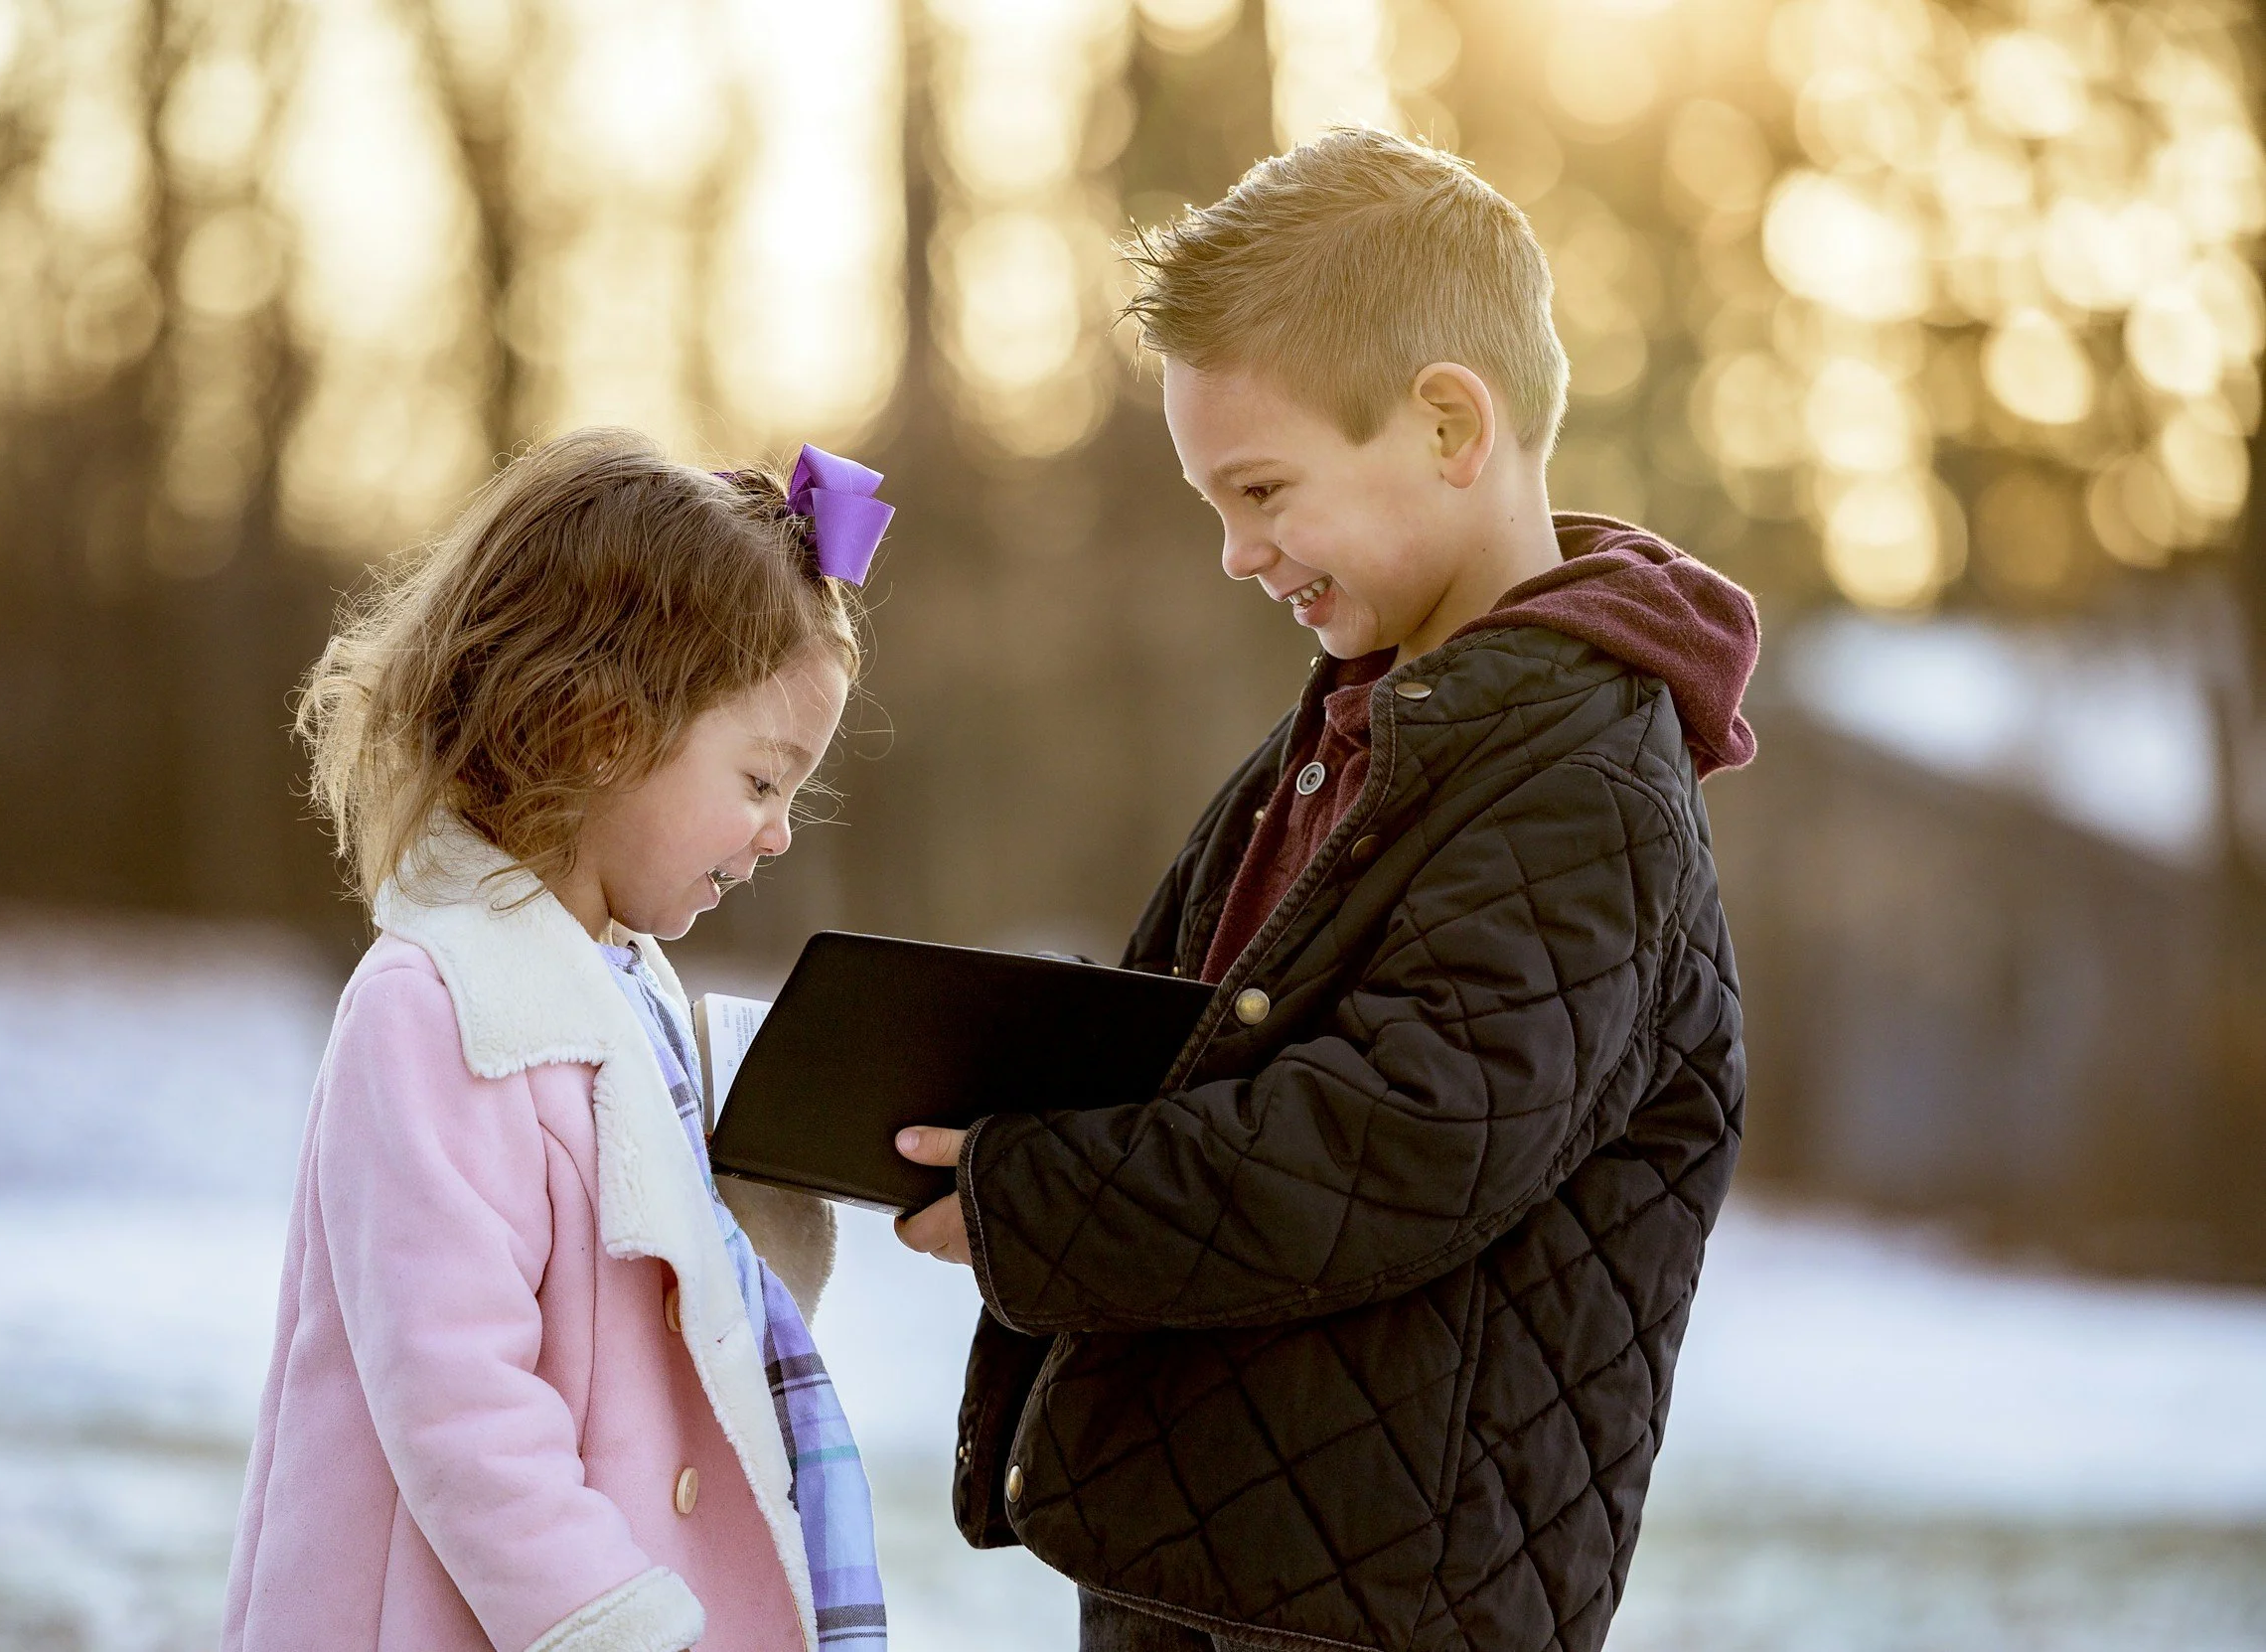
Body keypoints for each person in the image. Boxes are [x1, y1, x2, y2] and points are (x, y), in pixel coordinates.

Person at [893, 129, 1757, 1652]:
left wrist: (1035, 1196)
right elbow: (1183, 1048)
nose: (1237, 551)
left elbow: (1397, 1140)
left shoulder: (1583, 779)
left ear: (1447, 424)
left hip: (1385, 1609)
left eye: (1264, 487)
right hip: (1206, 1553)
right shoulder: (1352, 737)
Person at [223, 431, 893, 1652]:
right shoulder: (437, 1005)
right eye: (759, 780)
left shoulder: (626, 993)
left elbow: (664, 1325)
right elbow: (461, 1402)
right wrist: (622, 1627)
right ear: (600, 732)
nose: (780, 832)